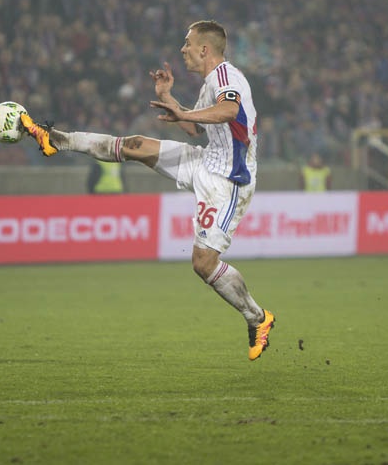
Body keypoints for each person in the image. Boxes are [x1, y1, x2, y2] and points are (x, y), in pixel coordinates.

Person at [21, 20, 275, 361]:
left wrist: (184, 110)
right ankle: (56, 140)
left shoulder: (227, 78)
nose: (182, 49)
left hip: (229, 180)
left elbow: (230, 111)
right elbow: (194, 129)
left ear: (204, 49)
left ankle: (257, 317)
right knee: (135, 145)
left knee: (203, 263)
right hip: (205, 161)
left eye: (187, 43)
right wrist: (169, 99)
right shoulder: (209, 84)